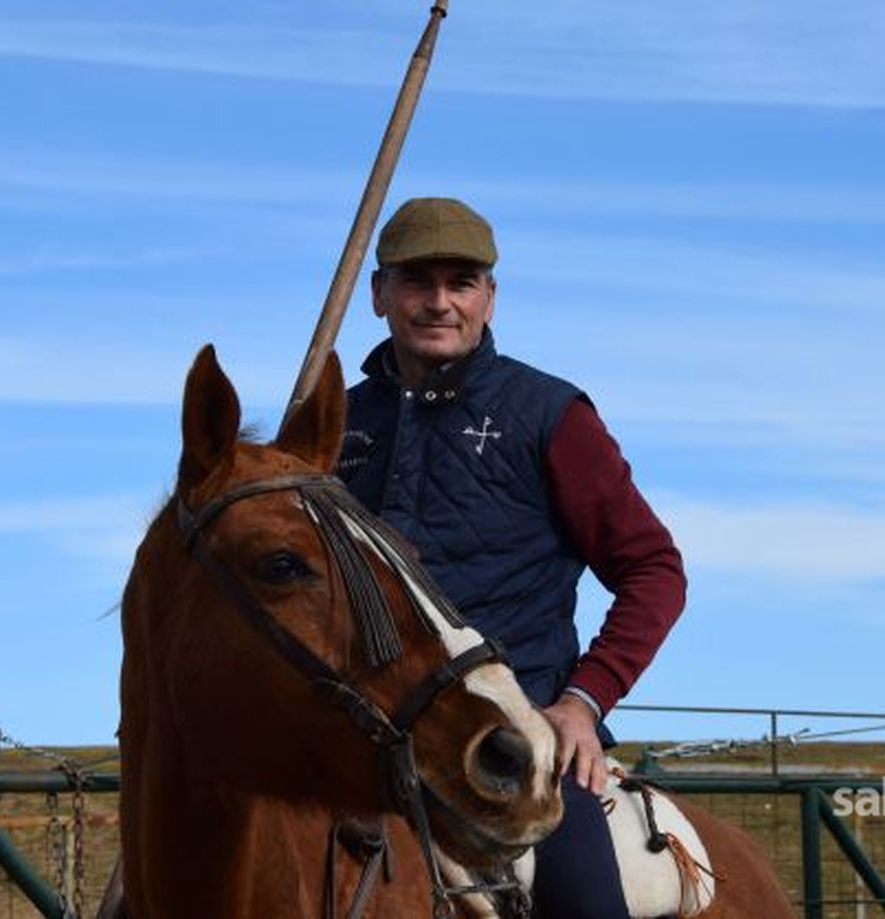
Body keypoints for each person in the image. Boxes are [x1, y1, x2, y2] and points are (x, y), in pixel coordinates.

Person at [337, 197, 686, 919]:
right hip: (356, 740)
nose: (439, 302)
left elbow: (654, 569)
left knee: (586, 906)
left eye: (460, 282)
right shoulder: (332, 423)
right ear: (378, 294)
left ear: (489, 298)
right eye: (415, 281)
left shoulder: (550, 414)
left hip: (519, 738)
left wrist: (583, 703)